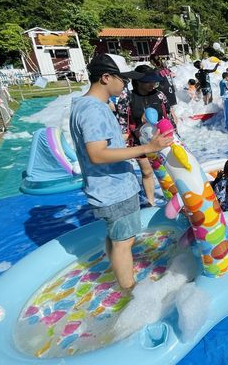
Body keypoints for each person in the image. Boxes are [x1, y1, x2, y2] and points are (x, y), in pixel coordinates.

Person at [69, 53, 173, 289]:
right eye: (123, 79)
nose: (126, 84)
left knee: (117, 239)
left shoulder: (88, 106)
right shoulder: (93, 109)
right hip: (112, 189)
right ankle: (128, 292)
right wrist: (147, 147)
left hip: (108, 187)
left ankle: (118, 274)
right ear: (105, 77)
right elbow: (97, 154)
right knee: (123, 243)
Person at [115, 65, 177, 208]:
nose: (152, 84)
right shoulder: (127, 97)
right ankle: (151, 202)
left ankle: (173, 200)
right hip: (139, 140)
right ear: (138, 81)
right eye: (148, 81)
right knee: (147, 171)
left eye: (153, 81)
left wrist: (174, 133)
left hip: (161, 138)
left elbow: (168, 116)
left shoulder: (159, 95)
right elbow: (123, 121)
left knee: (168, 170)